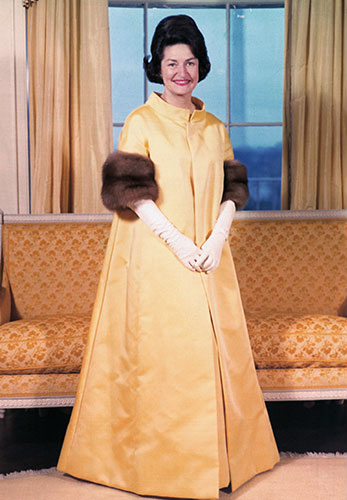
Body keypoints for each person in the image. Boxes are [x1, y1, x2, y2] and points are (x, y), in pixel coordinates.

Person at [57, 15, 279, 499]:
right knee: (164, 360)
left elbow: (231, 190)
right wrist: (178, 243)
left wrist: (217, 238)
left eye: (190, 62)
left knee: (215, 356)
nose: (182, 72)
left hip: (209, 258)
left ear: (201, 66)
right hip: (155, 256)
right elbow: (133, 194)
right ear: (157, 68)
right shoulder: (141, 121)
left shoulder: (214, 126)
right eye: (172, 63)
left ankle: (219, 464)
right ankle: (159, 467)